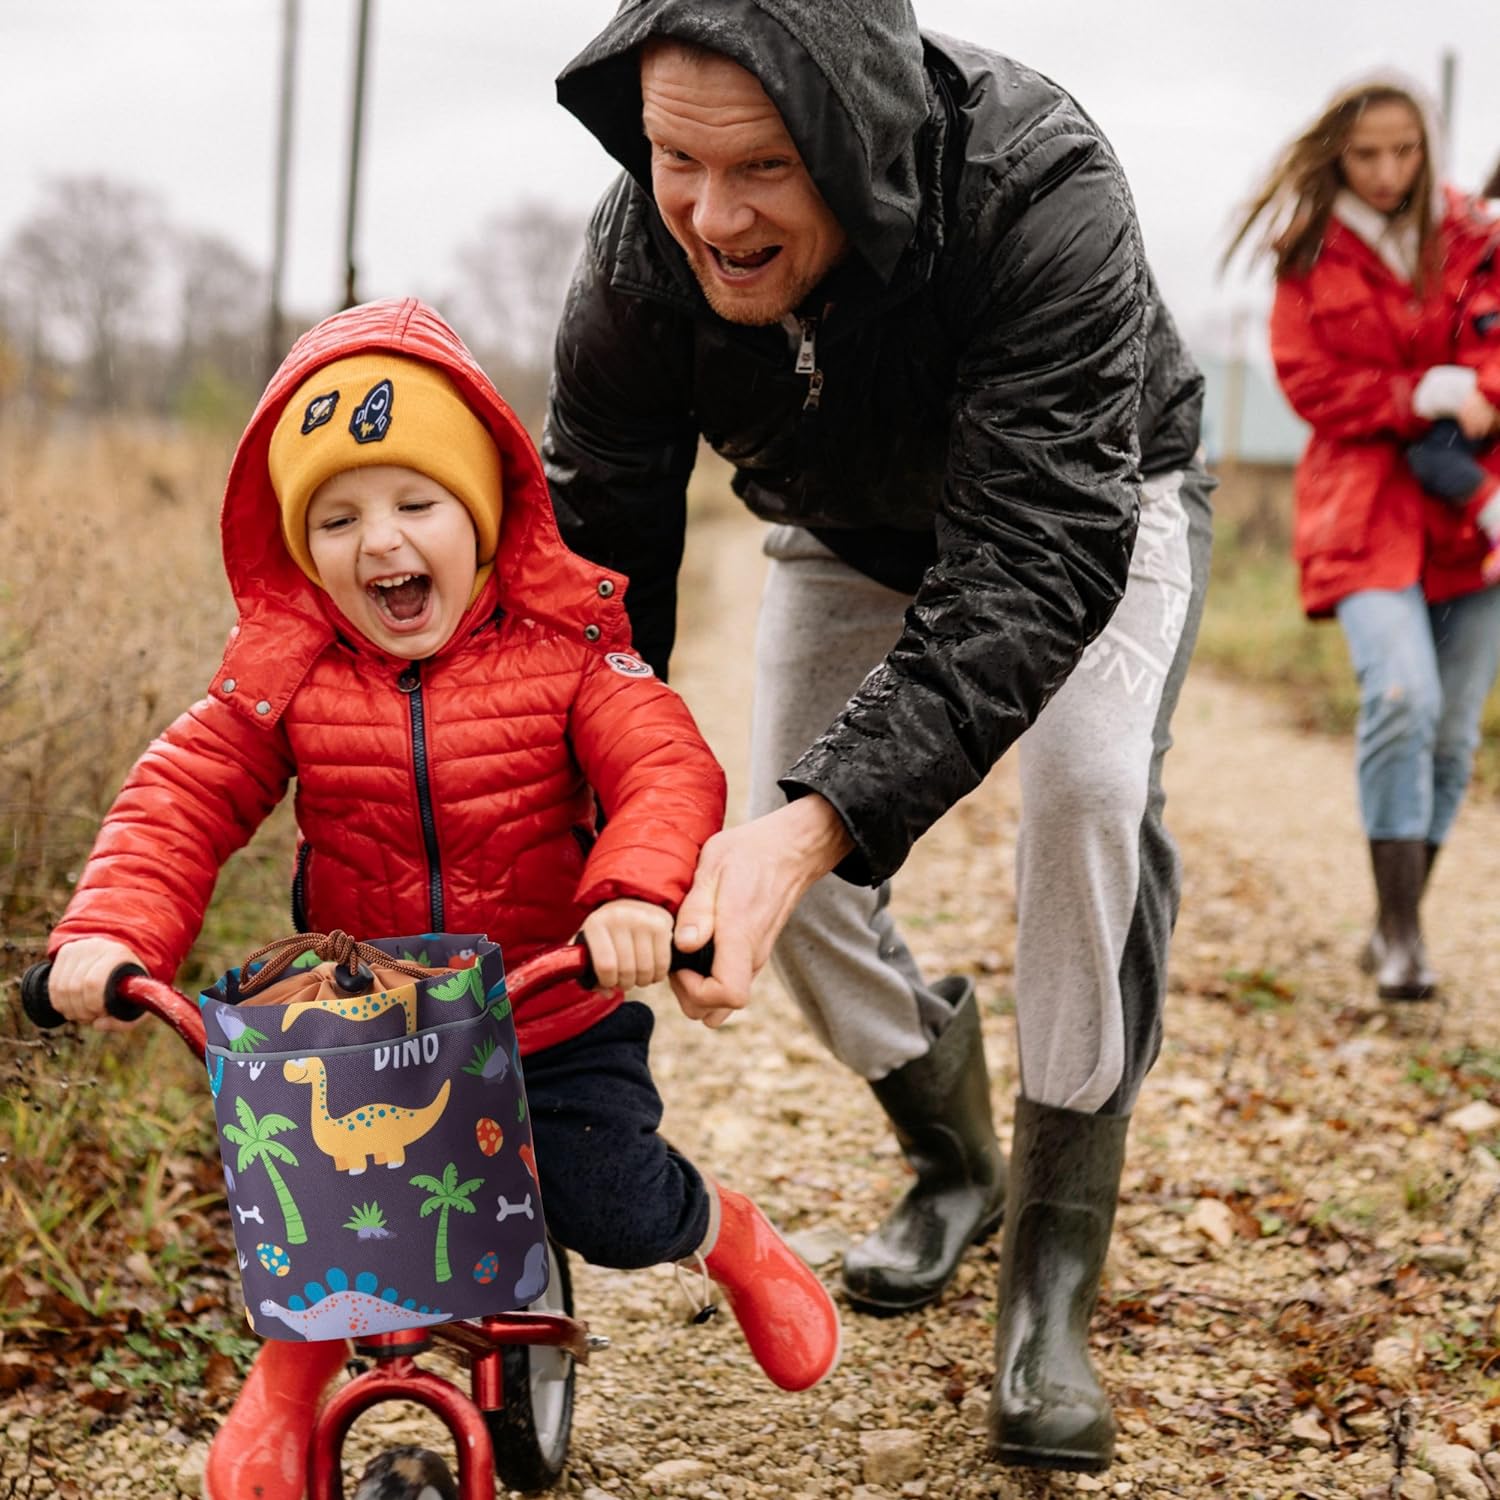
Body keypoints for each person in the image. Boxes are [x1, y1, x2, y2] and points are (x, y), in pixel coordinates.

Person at [545, 1, 1212, 1473]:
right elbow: (595, 572)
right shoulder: (634, 260)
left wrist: (815, 822)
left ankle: (1051, 1274)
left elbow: (1037, 561)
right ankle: (952, 1157)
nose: (711, 215)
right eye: (673, 159)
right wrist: (594, 825)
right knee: (787, 854)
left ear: (853, 138)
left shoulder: (1042, 187)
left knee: (1088, 793)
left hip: (1091, 505)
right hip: (839, 528)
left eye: (765, 169)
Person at [43, 298, 841, 1500]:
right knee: (315, 1207)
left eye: (417, 504)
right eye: (338, 516)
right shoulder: (288, 675)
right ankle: (293, 1372)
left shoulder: (569, 652)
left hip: (550, 1012)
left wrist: (629, 894)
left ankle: (724, 1233)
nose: (382, 543)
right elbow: (184, 796)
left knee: (610, 1204)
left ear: (482, 514)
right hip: (369, 1027)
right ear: (302, 548)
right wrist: (110, 930)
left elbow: (666, 767)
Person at [1228, 81, 1500, 1002]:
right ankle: (1400, 932)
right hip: (1363, 509)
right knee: (1401, 696)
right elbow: (1308, 382)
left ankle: (1399, 919)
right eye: (1366, 155)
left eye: (1405, 152)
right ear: (1337, 156)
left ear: (1428, 147)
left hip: (1475, 512)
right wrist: (1417, 394)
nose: (1388, 173)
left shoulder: (1474, 235)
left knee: (1455, 736)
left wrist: (1485, 398)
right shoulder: (1308, 254)